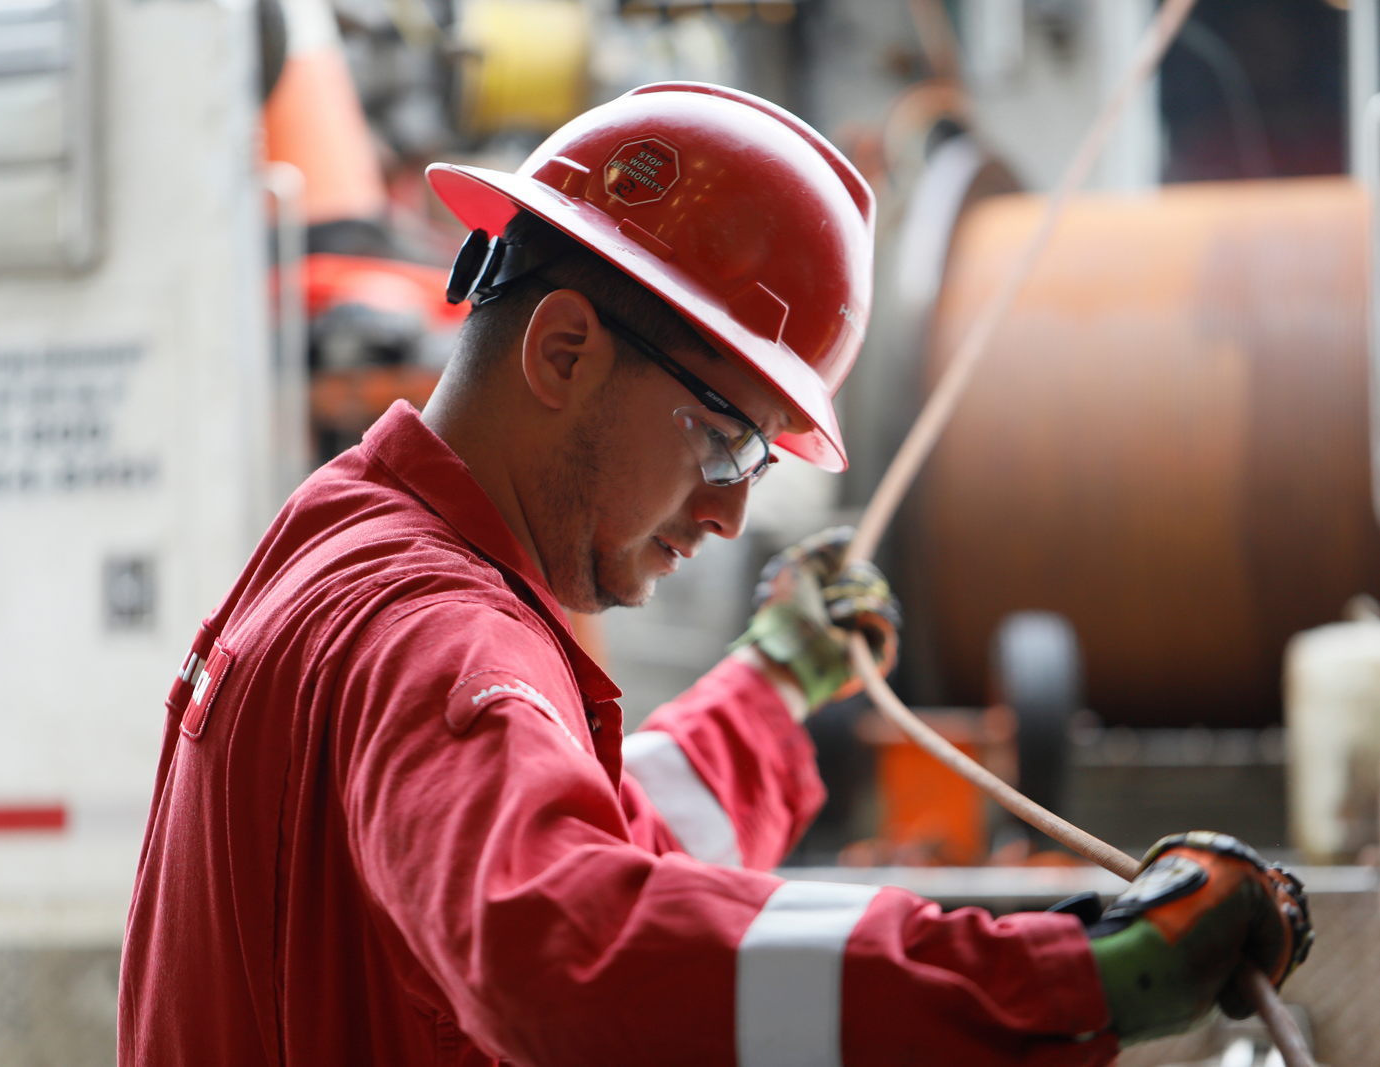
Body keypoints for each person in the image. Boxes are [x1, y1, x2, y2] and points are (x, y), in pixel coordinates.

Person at [117, 82, 1310, 1066]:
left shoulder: (343, 552)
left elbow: (603, 849)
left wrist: (771, 687)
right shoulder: (436, 631)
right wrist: (1065, 973)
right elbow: (562, 949)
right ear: (564, 348)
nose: (737, 509)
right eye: (724, 436)